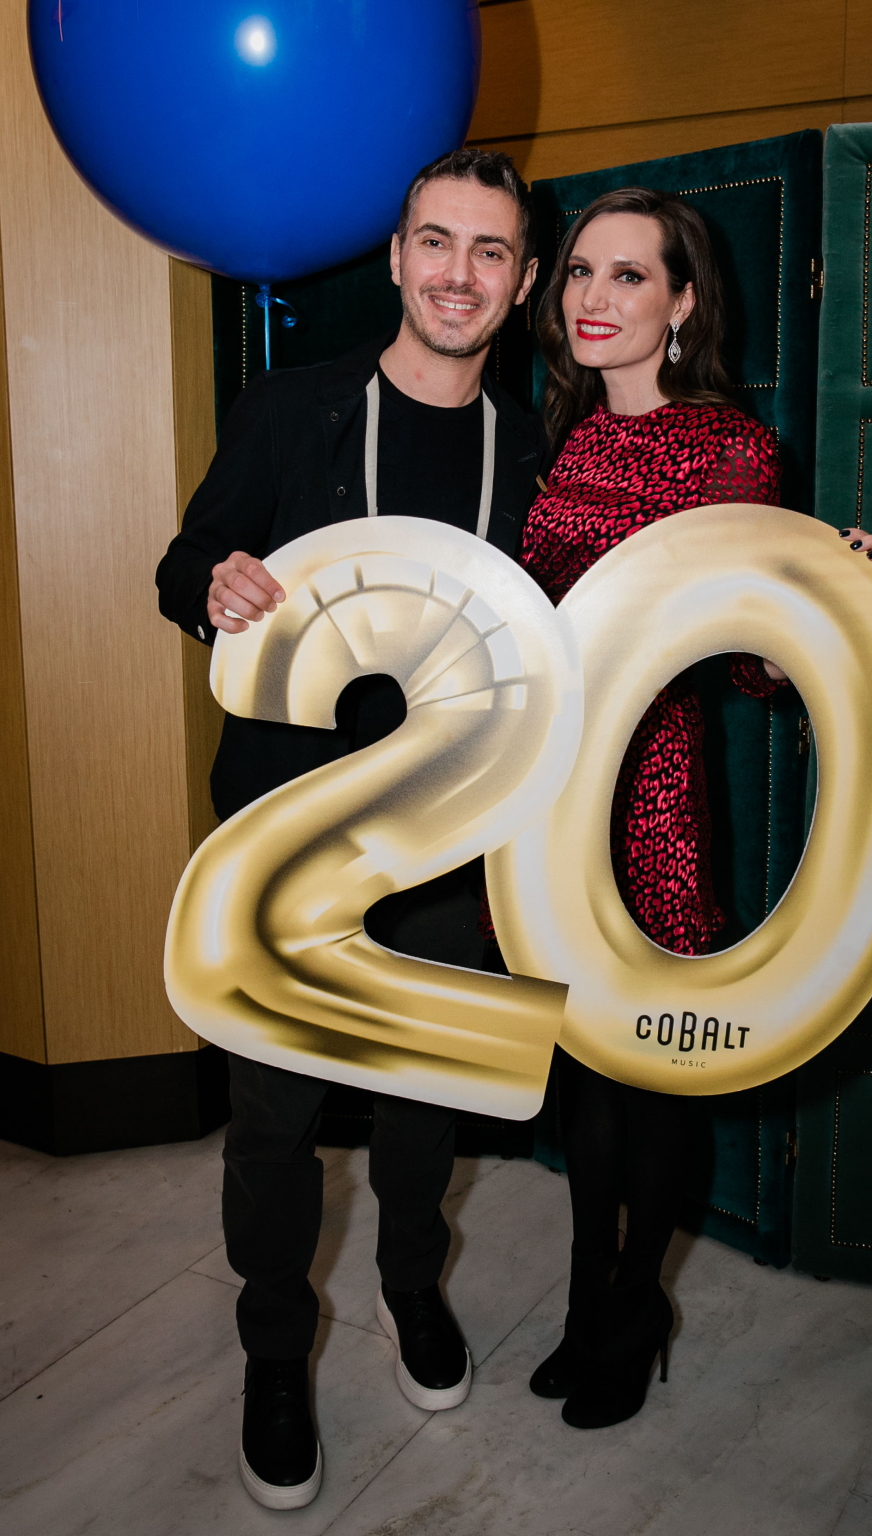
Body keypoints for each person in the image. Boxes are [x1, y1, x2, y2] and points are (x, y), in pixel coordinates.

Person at [156, 149, 540, 1510]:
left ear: (523, 283)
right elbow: (183, 564)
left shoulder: (530, 446)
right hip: (286, 837)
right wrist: (215, 584)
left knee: (427, 1094)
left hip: (446, 836)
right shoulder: (292, 409)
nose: (457, 274)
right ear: (394, 257)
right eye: (436, 241)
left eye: (489, 251)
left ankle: (409, 1287)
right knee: (273, 1117)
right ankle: (275, 1352)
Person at [514, 187, 872, 1431]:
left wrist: (838, 606)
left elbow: (755, 661)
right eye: (580, 271)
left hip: (652, 793)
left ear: (682, 302)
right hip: (545, 792)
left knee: (652, 1067)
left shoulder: (729, 451)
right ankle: (587, 1303)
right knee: (582, 1068)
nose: (593, 298)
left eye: (629, 276)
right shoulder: (566, 437)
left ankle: (634, 1308)